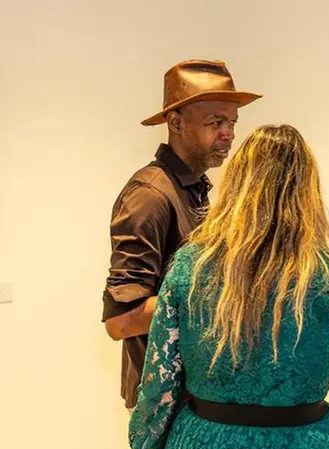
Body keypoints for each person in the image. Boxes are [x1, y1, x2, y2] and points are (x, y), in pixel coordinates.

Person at [128, 124, 329, 449]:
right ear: (307, 191)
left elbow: (159, 388)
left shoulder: (189, 267)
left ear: (236, 184)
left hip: (204, 448)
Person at [101, 59, 262, 412]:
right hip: (163, 406)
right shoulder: (149, 195)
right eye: (215, 122)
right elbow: (118, 322)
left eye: (232, 122)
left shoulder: (194, 188)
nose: (229, 134)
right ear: (175, 123)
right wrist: (226, 296)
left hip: (193, 399)